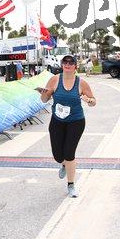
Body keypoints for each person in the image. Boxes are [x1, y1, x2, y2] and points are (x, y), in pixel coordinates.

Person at [39, 55, 96, 198]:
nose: (68, 64)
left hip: (76, 122)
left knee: (69, 154)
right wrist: (44, 93)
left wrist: (88, 100)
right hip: (57, 121)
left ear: (75, 66)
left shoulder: (81, 83)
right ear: (62, 65)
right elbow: (44, 100)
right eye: (65, 62)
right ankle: (63, 164)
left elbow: (93, 101)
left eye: (71, 62)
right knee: (58, 156)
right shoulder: (54, 80)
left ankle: (71, 185)